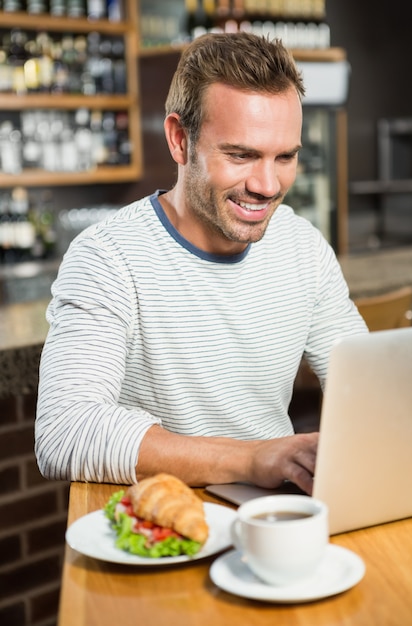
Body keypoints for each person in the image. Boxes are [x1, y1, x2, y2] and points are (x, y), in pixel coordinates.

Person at [35, 32, 367, 495]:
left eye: (285, 157)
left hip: (275, 513)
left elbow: (365, 390)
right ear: (179, 140)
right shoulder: (107, 257)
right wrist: (252, 458)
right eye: (241, 155)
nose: (268, 185)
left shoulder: (302, 246)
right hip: (160, 516)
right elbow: (64, 432)